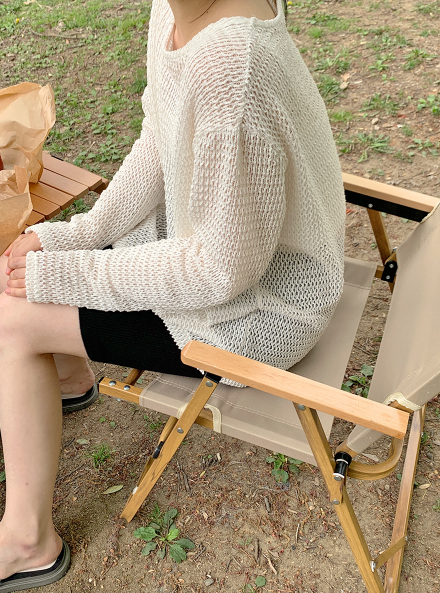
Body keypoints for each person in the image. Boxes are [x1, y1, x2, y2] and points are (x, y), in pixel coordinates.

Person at [0, 0, 345, 588]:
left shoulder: (230, 68)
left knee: (12, 316)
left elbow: (221, 270)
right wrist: (76, 235)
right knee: (23, 278)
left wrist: (67, 272)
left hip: (256, 313)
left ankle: (27, 541)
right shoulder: (176, 10)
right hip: (210, 251)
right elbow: (158, 137)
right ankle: (65, 377)